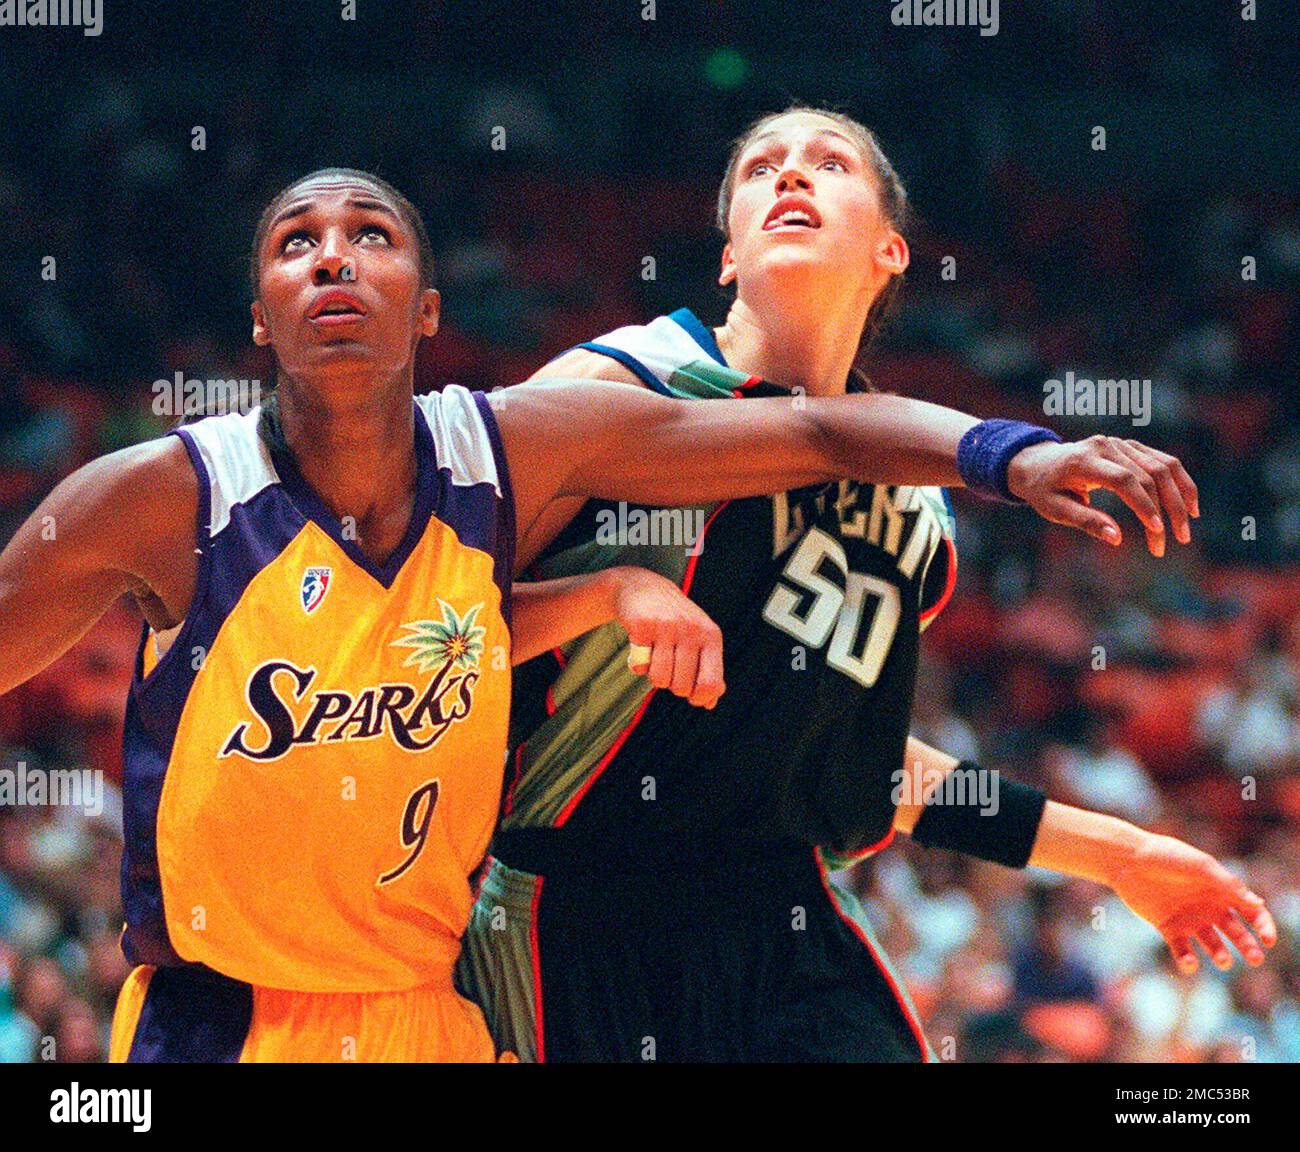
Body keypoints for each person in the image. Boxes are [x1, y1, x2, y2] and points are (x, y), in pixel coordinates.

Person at [0, 166, 1178, 1062]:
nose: (332, 259)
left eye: (370, 236)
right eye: (295, 244)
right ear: (260, 316)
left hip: (433, 1010)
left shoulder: (511, 448)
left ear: (427, 311)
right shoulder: (160, 499)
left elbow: (813, 435)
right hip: (222, 1015)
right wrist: (614, 590)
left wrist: (1006, 456)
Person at [457, 109, 1277, 1062]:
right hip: (584, 902)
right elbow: (432, 622)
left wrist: (1121, 854)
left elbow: (853, 762)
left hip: (786, 915)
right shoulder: (623, 380)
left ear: (891, 250)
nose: (791, 176)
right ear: (728, 255)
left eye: (828, 162)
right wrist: (608, 594)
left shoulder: (916, 521)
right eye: (762, 167)